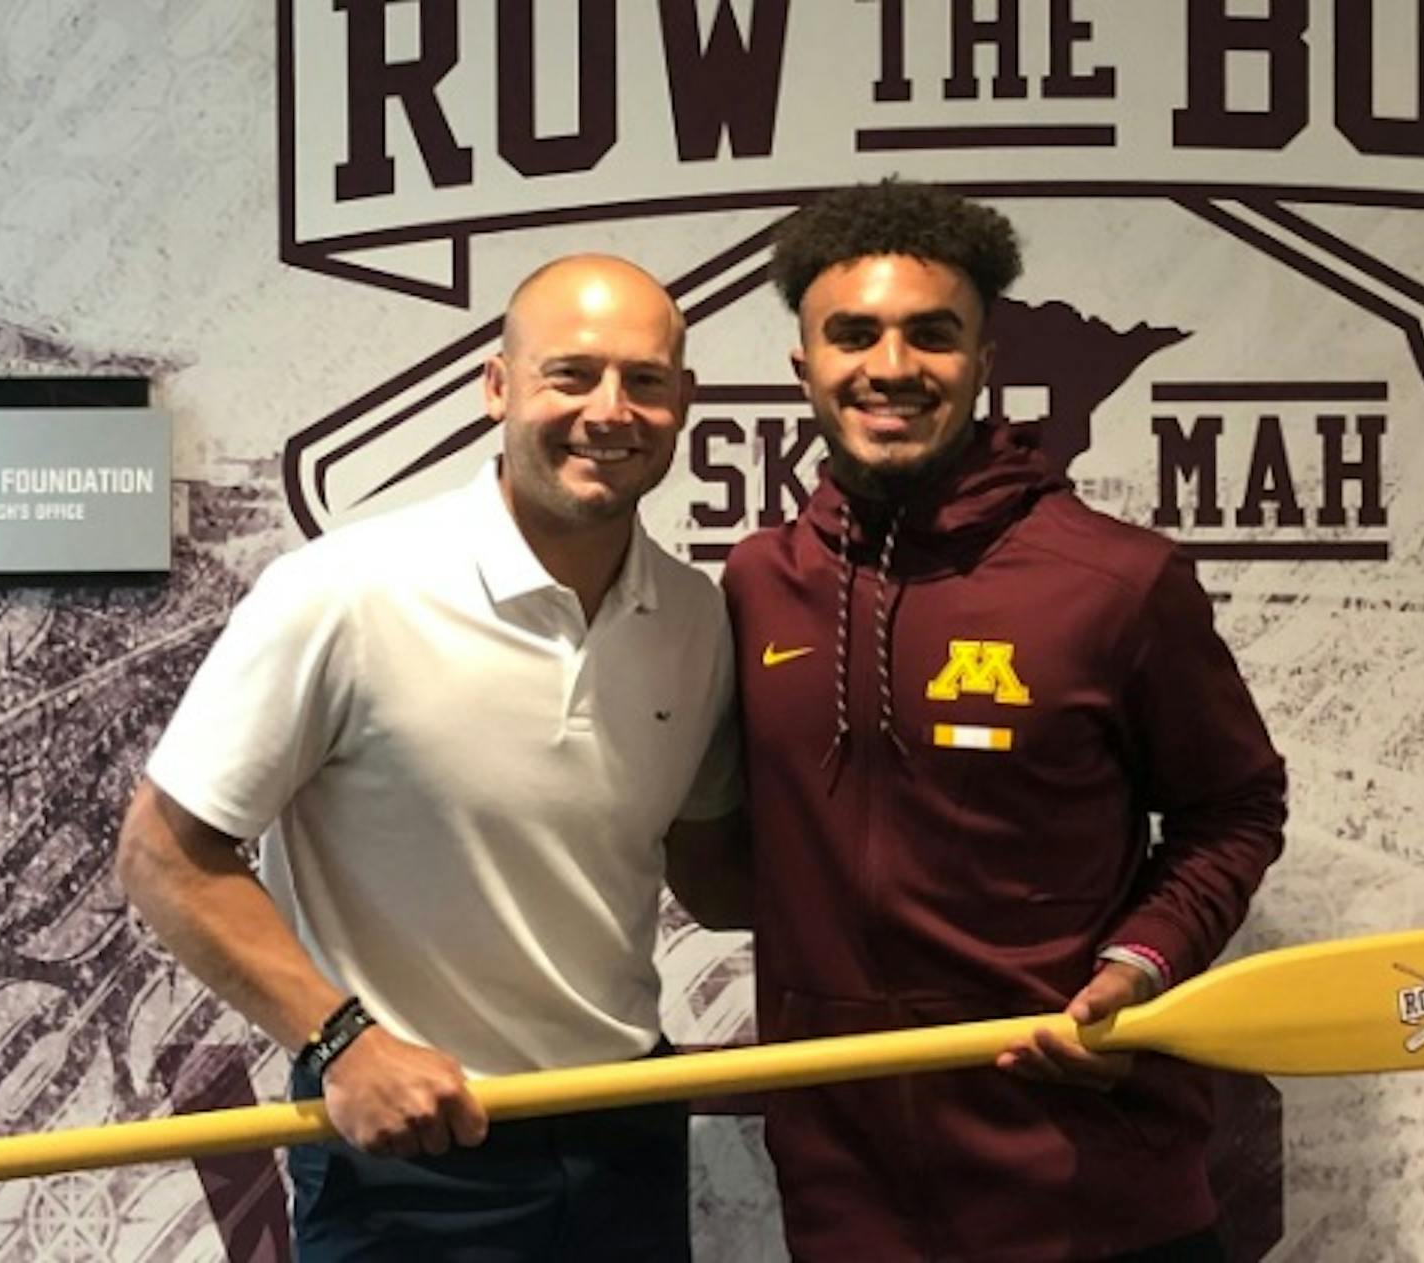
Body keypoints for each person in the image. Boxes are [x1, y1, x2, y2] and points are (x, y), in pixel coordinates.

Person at [116, 254, 745, 1261]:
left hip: (626, 1125)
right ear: (497, 387)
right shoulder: (342, 592)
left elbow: (721, 880)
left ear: (683, 402)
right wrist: (341, 1045)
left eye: (646, 381)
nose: (611, 409)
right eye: (571, 374)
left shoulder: (696, 617)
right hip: (411, 1153)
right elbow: (163, 855)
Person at [720, 182, 1287, 1261]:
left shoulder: (1115, 579)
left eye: (933, 335)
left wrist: (1143, 963)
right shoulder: (757, 583)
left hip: (1092, 1198)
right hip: (848, 1208)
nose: (892, 367)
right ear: (805, 368)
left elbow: (1237, 807)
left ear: (985, 363)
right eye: (854, 335)